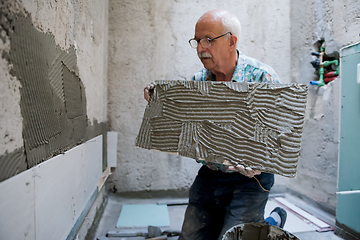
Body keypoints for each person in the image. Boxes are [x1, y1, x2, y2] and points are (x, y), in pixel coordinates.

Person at [144, 9, 287, 240]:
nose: (200, 48)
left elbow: (280, 139)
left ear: (231, 42)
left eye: (208, 40)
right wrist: (160, 100)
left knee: (235, 236)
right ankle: (262, 224)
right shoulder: (198, 82)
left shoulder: (262, 79)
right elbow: (183, 128)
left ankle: (268, 223)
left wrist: (261, 161)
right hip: (210, 175)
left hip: (250, 181)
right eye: (197, 41)